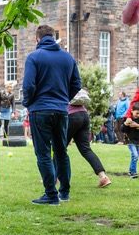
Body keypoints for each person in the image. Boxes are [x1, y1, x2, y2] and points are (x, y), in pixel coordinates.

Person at [23, 25, 81, 205]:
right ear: (53, 37)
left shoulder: (34, 57)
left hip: (40, 110)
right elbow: (77, 84)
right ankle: (64, 192)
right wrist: (64, 99)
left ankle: (51, 194)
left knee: (43, 153)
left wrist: (28, 102)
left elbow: (29, 86)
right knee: (61, 151)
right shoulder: (68, 58)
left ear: (37, 39)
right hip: (61, 110)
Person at [59, 89, 112, 187]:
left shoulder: (62, 82)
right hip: (83, 115)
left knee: (60, 148)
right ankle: (103, 177)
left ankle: (53, 178)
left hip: (70, 115)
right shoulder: (75, 84)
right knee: (86, 149)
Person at [122, 103, 139, 179]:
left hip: (138, 142)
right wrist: (125, 123)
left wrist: (137, 125)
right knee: (135, 156)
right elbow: (123, 130)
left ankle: (130, 170)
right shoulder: (129, 120)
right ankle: (133, 173)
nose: (138, 115)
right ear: (132, 111)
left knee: (134, 157)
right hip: (131, 142)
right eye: (137, 113)